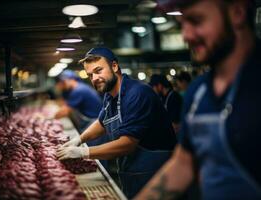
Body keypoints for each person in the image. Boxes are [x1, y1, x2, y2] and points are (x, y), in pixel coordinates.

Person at [135, 0, 261, 199]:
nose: (186, 35)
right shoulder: (198, 91)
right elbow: (183, 163)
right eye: (182, 24)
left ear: (237, 12)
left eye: (196, 20)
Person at [57, 47, 177, 198]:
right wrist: (79, 139)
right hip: (133, 172)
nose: (94, 78)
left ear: (114, 66)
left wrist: (84, 152)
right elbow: (102, 122)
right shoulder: (110, 94)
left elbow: (128, 144)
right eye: (90, 75)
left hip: (157, 173)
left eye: (98, 70)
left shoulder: (137, 93)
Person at [54, 69, 102, 134]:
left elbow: (64, 112)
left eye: (64, 82)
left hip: (94, 122)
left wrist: (48, 119)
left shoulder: (78, 90)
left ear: (72, 79)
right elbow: (64, 104)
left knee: (93, 143)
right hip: (91, 120)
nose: (62, 84)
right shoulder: (80, 87)